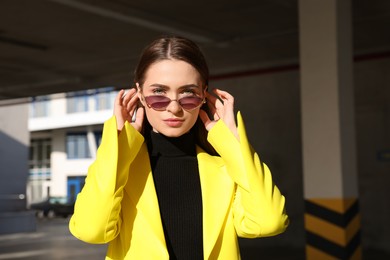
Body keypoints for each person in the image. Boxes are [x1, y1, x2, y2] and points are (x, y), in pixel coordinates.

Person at [69, 36, 289, 260]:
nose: (174, 108)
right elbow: (91, 231)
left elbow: (268, 223)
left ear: (204, 95)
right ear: (140, 95)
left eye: (188, 94)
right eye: (159, 94)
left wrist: (232, 142)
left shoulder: (225, 170)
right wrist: (119, 144)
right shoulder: (119, 172)